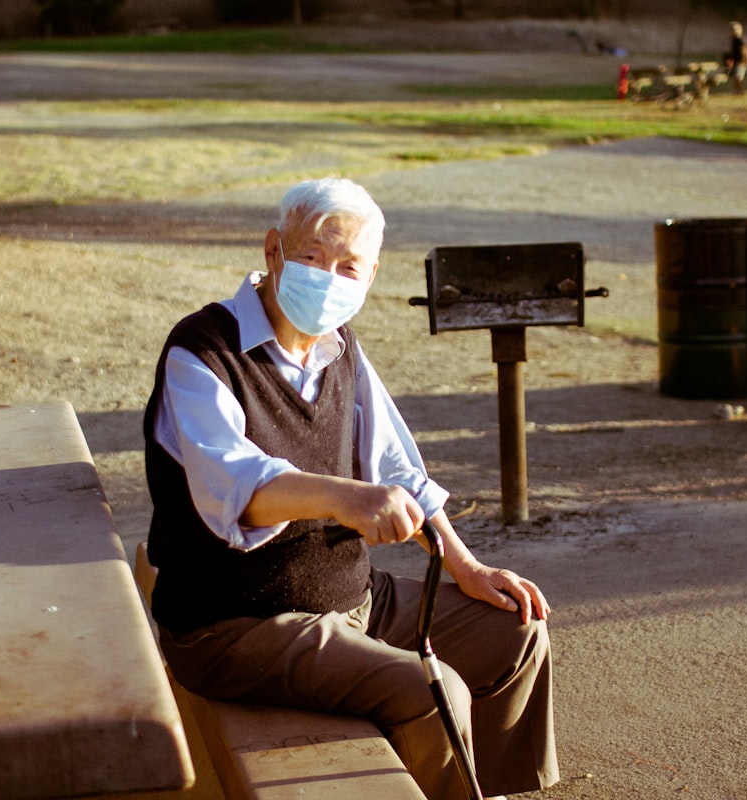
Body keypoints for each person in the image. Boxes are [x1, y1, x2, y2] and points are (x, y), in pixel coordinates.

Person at [143, 177, 559, 799]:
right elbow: (237, 488)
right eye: (312, 257)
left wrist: (465, 567)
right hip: (235, 623)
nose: (327, 277)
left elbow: (397, 469)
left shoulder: (343, 351)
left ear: (369, 278)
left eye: (348, 266)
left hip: (350, 602)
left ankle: (482, 789)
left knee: (517, 634)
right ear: (273, 250)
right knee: (433, 689)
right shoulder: (202, 351)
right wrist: (346, 496)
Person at [727, 21, 747, 95]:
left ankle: (741, 91)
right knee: (735, 77)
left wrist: (745, 61)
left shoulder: (743, 39)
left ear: (740, 30)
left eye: (735, 29)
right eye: (733, 29)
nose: (734, 31)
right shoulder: (734, 39)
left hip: (741, 61)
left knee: (739, 77)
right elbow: (733, 51)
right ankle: (736, 91)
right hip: (735, 60)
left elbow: (746, 50)